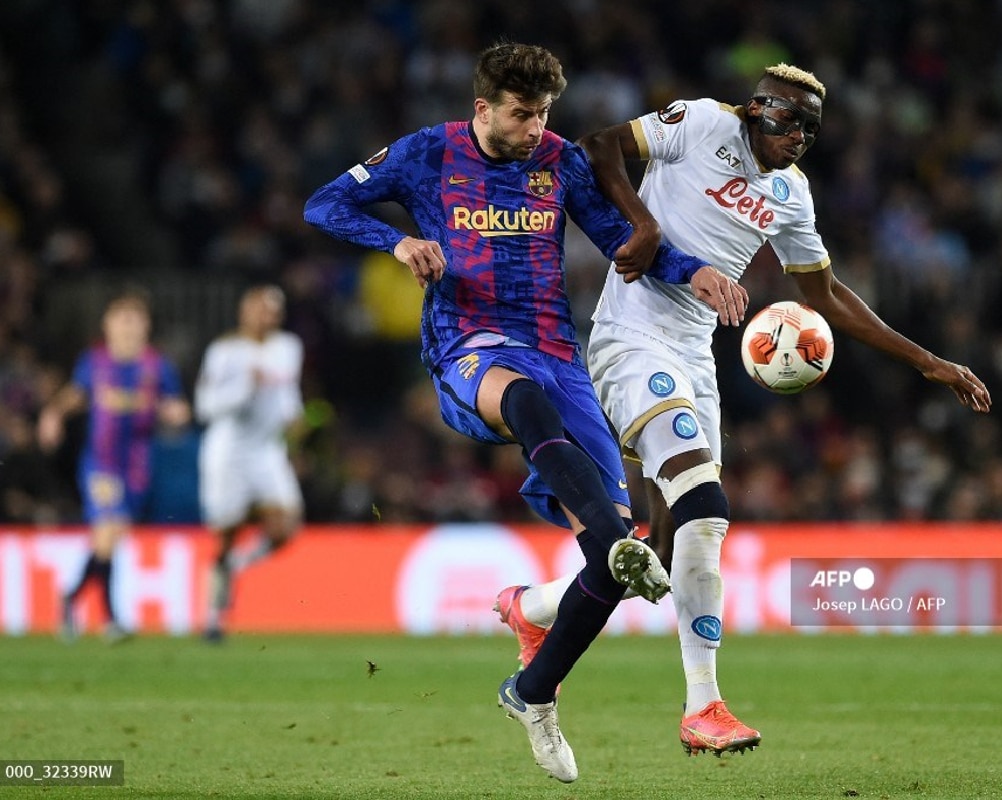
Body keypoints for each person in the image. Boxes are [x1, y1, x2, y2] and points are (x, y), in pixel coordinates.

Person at [496, 63, 994, 757]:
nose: (799, 136)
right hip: (633, 340)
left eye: (811, 128)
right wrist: (638, 224)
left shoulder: (791, 194)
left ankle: (533, 606)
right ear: (757, 109)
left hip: (695, 356)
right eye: (788, 119)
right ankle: (705, 709)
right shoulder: (702, 122)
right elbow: (600, 144)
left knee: (663, 549)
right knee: (707, 507)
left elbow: (826, 296)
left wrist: (929, 362)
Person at [303, 42, 746, 783]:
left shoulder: (560, 160)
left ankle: (532, 692)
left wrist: (691, 269)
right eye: (521, 112)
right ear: (482, 107)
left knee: (607, 566)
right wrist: (399, 240)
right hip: (469, 347)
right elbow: (325, 203)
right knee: (526, 403)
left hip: (557, 353)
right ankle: (614, 540)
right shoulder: (426, 153)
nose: (536, 125)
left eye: (544, 111)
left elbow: (616, 239)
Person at [38, 287, 191, 642]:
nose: (127, 328)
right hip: (101, 463)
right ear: (107, 326)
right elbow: (76, 395)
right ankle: (110, 619)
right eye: (121, 320)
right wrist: (53, 414)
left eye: (135, 321)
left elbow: (177, 406)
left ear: (146, 326)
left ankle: (71, 596)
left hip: (136, 465)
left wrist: (178, 413)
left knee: (110, 538)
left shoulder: (157, 365)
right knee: (107, 530)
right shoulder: (95, 363)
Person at [195, 284, 305, 643]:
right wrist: (244, 388)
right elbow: (205, 406)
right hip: (228, 450)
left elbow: (288, 392)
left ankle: (234, 566)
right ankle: (214, 618)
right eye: (260, 308)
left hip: (267, 450)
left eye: (273, 310)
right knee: (226, 533)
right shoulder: (225, 351)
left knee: (287, 525)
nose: (267, 316)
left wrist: (295, 423)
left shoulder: (288, 348)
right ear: (245, 311)